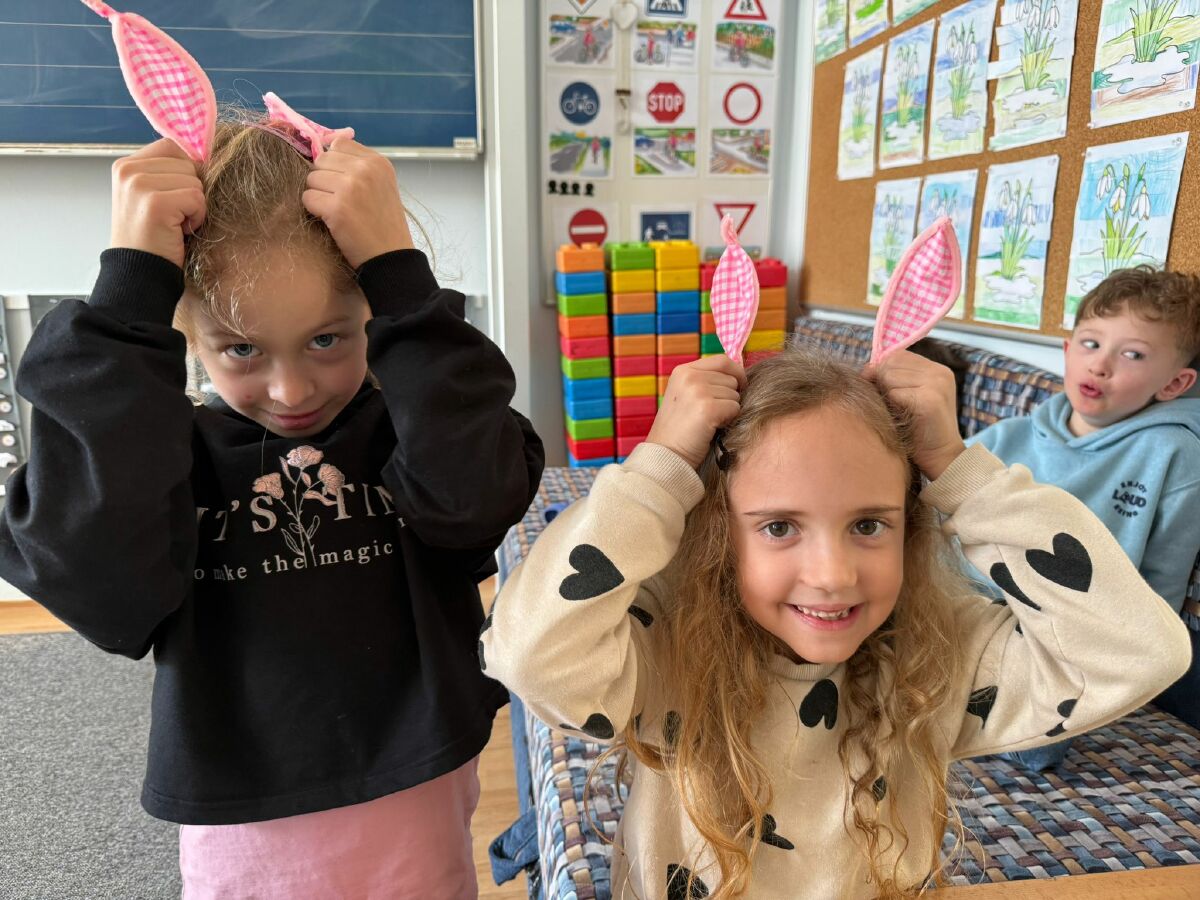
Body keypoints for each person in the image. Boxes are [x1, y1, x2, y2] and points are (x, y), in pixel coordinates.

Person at [0, 119, 543, 897]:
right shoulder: (161, 455)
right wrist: (128, 298)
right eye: (242, 349)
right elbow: (98, 585)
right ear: (187, 336)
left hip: (411, 798)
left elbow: (474, 507)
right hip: (241, 825)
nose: (291, 392)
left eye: (327, 340)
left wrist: (400, 275)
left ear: (372, 314)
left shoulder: (414, 426)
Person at [480, 350, 1189, 899]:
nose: (833, 575)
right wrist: (658, 472)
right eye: (779, 526)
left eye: (869, 525)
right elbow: (529, 653)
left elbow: (1141, 651)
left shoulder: (936, 655)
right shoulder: (665, 645)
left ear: (911, 524)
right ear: (719, 534)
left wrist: (963, 474)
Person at [969, 265, 1200, 757]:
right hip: (962, 601)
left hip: (1061, 631)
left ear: (1175, 383)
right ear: (1067, 350)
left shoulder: (1174, 453)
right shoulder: (1009, 436)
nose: (1100, 365)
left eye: (1133, 354)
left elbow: (1159, 593)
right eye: (1091, 344)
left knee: (1033, 735)